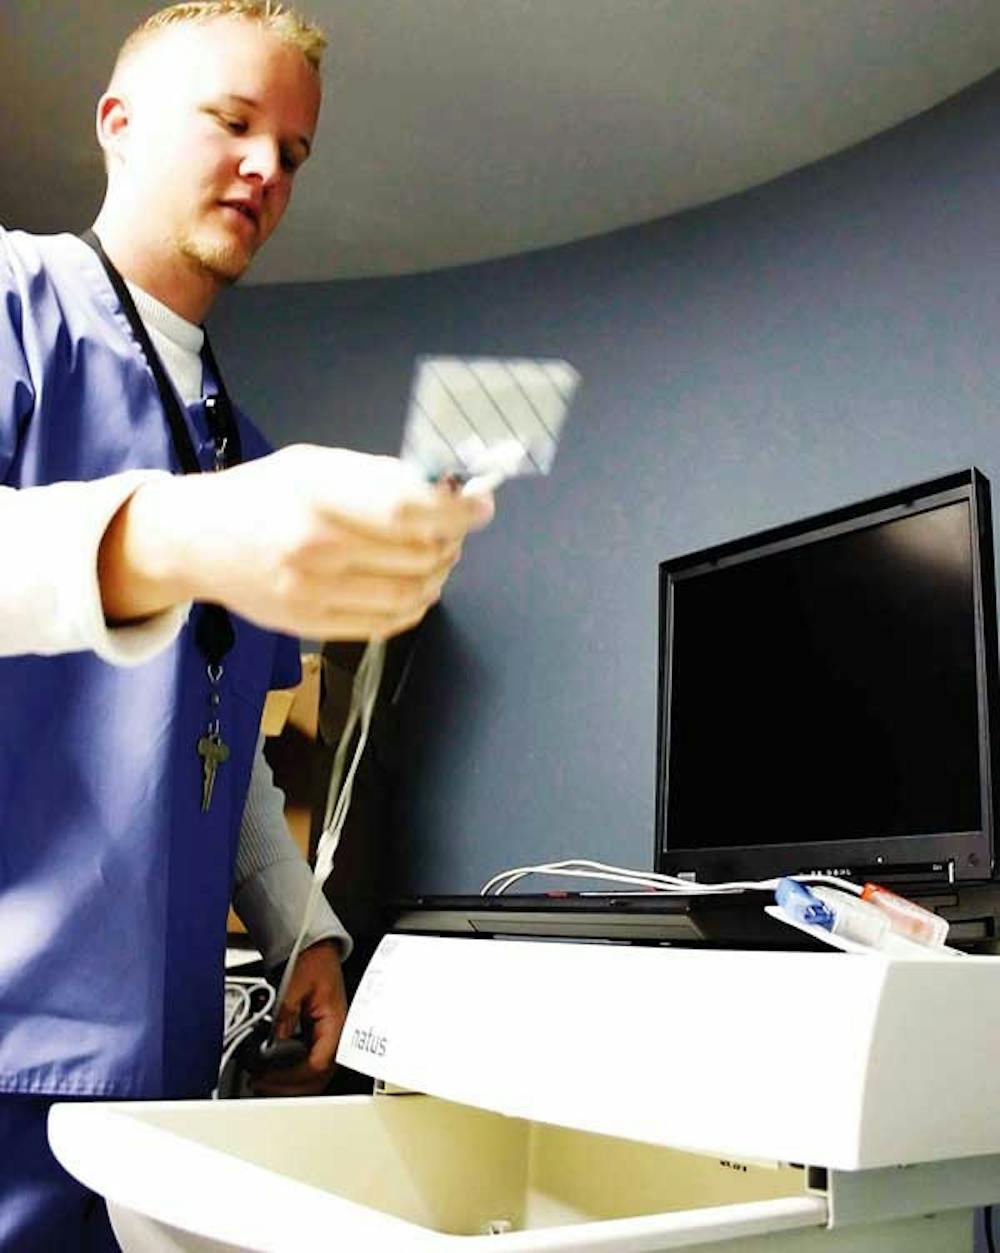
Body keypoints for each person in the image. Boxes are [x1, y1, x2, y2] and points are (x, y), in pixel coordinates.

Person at [0, 2, 494, 1248]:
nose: (267, 168)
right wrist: (163, 539)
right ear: (117, 125)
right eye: (232, 122)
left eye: (295, 149)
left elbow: (208, 747)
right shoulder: (14, 305)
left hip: (149, 1070)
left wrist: (307, 934)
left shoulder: (239, 444)